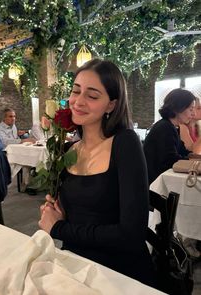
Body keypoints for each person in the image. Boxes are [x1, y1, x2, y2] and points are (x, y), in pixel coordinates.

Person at [38, 59, 155, 287]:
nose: (78, 102)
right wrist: (54, 212)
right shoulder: (69, 150)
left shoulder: (125, 143)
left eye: (92, 96)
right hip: (73, 264)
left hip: (118, 273)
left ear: (111, 105)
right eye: (75, 91)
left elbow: (132, 236)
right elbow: (72, 214)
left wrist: (59, 228)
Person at [143, 88, 196, 185]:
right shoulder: (165, 128)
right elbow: (171, 160)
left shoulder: (172, 127)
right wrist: (195, 163)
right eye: (191, 109)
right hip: (154, 186)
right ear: (178, 108)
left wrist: (196, 158)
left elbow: (184, 152)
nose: (194, 114)